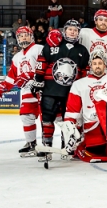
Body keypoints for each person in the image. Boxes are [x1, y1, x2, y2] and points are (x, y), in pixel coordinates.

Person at [62, 50, 107, 163]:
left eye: (100, 63)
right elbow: (72, 111)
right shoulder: (79, 84)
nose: (97, 66)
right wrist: (71, 132)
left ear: (105, 65)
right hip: (92, 126)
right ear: (90, 65)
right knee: (98, 153)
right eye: (95, 63)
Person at [34, 22, 89, 150]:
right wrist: (38, 79)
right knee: (47, 117)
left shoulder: (82, 50)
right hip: (50, 89)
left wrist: (83, 87)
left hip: (71, 92)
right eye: (70, 29)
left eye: (75, 30)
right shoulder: (53, 44)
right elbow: (42, 61)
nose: (72, 32)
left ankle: (67, 145)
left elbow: (85, 70)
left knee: (68, 120)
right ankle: (47, 145)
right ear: (64, 31)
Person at [0, 26, 44, 154]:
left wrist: (30, 75)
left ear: (31, 36)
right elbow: (11, 78)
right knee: (26, 116)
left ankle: (47, 144)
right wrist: (1, 88)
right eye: (21, 36)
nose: (23, 37)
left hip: (43, 89)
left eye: (26, 35)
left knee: (47, 118)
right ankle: (31, 143)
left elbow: (45, 67)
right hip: (27, 92)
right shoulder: (16, 57)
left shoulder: (39, 49)